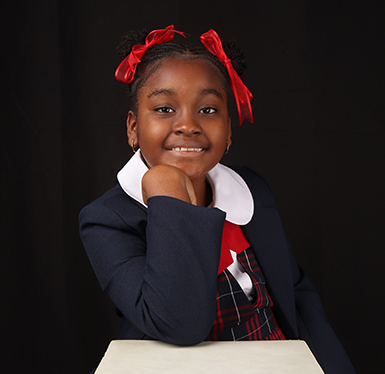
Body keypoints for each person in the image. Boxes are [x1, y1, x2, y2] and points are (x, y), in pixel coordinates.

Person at [79, 25, 355, 373]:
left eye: (208, 110)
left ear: (228, 131)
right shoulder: (106, 220)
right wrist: (167, 188)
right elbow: (180, 323)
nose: (188, 125)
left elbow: (297, 294)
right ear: (133, 128)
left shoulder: (252, 189)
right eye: (165, 109)